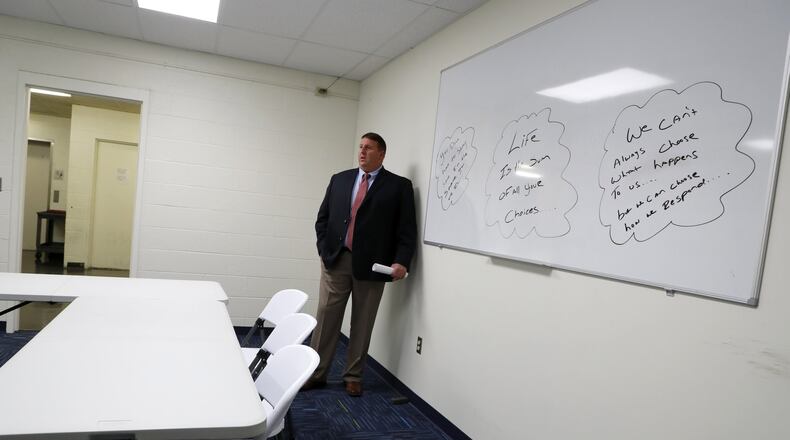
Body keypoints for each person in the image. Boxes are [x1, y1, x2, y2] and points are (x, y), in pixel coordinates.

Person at [302, 132, 417, 397]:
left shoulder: (399, 186)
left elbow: (406, 229)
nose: (362, 152)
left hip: (373, 266)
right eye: (361, 147)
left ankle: (353, 376)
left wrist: (401, 260)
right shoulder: (340, 179)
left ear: (382, 153)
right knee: (327, 318)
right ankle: (316, 374)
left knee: (363, 322)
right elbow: (323, 219)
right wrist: (323, 249)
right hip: (336, 259)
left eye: (369, 148)